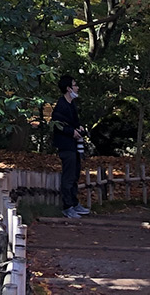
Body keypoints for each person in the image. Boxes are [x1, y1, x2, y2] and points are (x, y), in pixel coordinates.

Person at [50, 74, 91, 218]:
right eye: (75, 85)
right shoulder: (61, 105)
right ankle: (67, 206)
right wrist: (71, 132)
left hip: (74, 146)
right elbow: (57, 126)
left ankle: (74, 203)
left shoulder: (71, 104)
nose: (77, 87)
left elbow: (73, 122)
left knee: (75, 175)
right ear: (68, 88)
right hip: (66, 146)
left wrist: (79, 128)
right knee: (68, 176)